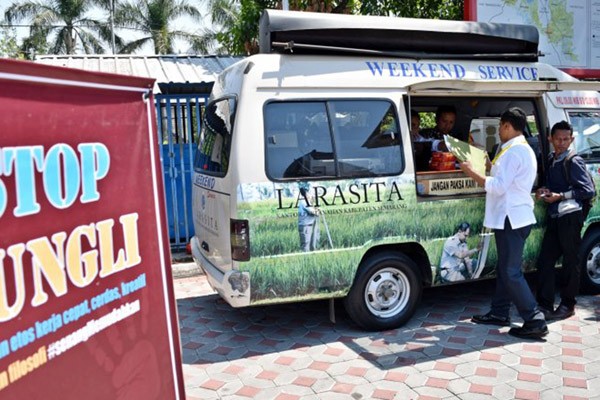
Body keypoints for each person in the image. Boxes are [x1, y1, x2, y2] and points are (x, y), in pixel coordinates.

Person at [459, 107, 548, 339]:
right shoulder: (516, 149)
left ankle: (534, 319)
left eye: (500, 126)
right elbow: (504, 177)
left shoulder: (513, 152)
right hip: (514, 217)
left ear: (508, 126)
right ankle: (499, 312)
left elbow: (498, 186)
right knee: (506, 269)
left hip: (511, 218)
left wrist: (472, 173)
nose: (498, 131)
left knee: (511, 272)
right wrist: (488, 165)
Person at [535, 121, 596, 320]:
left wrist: (561, 196)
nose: (561, 143)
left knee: (572, 261)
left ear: (571, 139)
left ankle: (568, 304)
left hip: (571, 216)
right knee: (545, 260)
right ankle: (544, 304)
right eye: (558, 139)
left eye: (565, 139)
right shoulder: (552, 158)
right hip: (556, 215)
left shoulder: (573, 161)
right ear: (549, 139)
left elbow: (588, 191)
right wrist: (544, 191)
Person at [298, 186, 320, 251]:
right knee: (306, 244)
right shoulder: (304, 202)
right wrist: (318, 211)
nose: (311, 195)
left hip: (308, 225)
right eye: (310, 193)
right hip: (306, 226)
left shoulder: (306, 201)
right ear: (306, 193)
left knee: (310, 244)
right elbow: (313, 212)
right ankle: (305, 259)